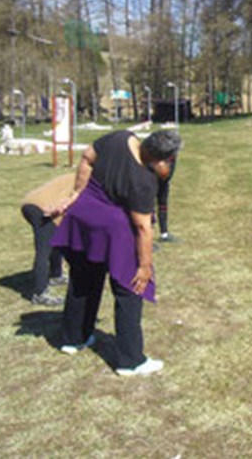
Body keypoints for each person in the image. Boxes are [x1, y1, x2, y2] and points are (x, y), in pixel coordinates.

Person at [50, 129, 182, 375]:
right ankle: (130, 361)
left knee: (83, 279)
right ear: (164, 159)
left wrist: (77, 193)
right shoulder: (144, 181)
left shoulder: (120, 137)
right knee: (130, 289)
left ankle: (74, 338)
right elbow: (143, 227)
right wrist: (144, 267)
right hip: (111, 229)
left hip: (82, 218)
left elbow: (87, 158)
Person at [21, 173, 75, 306]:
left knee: (55, 238)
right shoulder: (86, 181)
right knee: (44, 250)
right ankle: (40, 293)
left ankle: (57, 274)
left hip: (33, 203)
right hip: (41, 208)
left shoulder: (77, 176)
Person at [156, 155, 178, 242]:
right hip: (153, 178)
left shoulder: (171, 147)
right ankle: (146, 239)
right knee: (148, 208)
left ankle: (164, 234)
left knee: (163, 203)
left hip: (164, 181)